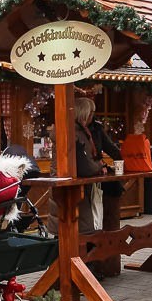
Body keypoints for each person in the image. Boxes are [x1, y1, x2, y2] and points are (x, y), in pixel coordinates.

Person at [47, 97, 106, 236]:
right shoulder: (74, 134)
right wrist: (99, 167)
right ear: (84, 114)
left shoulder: (74, 131)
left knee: (65, 230)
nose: (92, 117)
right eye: (90, 113)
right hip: (74, 190)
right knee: (77, 234)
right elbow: (85, 166)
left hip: (64, 188)